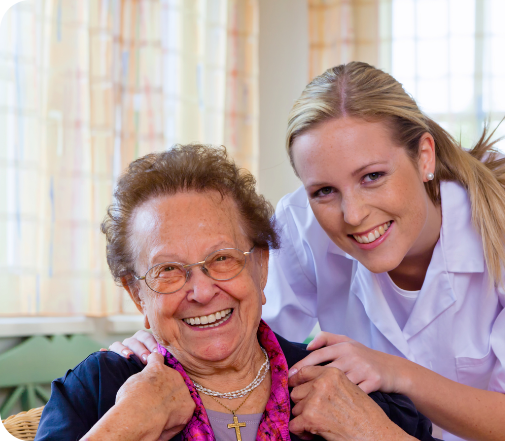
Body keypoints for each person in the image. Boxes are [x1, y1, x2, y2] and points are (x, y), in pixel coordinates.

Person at [111, 62, 505, 441]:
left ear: (425, 155)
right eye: (323, 190)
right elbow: (247, 338)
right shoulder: (301, 226)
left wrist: (394, 371)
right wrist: (162, 336)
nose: (351, 214)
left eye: (373, 177)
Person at [35, 145, 439, 441]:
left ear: (260, 267)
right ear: (138, 294)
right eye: (169, 270)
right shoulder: (98, 392)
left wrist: (373, 433)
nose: (202, 291)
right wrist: (126, 427)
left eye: (223, 258)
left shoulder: (344, 385)